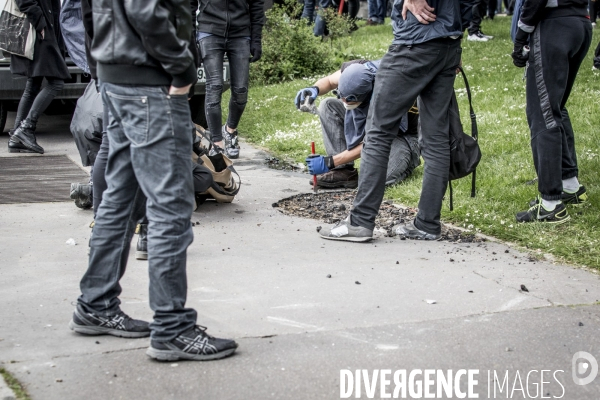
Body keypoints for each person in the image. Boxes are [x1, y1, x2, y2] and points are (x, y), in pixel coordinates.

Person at [69, 0, 238, 362]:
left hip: (120, 74)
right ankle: (171, 328)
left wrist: (106, 65)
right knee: (170, 206)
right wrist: (180, 68)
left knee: (122, 199)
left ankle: (95, 303)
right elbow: (143, 8)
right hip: (151, 81)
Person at [319, 0, 474, 242]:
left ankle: (360, 222)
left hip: (415, 40)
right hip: (448, 43)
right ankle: (427, 224)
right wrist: (455, 33)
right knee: (436, 139)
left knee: (378, 132)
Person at [511, 0, 591, 223]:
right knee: (554, 109)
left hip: (554, 24)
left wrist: (520, 36)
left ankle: (550, 204)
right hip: (579, 21)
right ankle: (569, 184)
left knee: (542, 115)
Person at [295, 59, 420, 189]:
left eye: (350, 98)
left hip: (401, 137)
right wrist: (313, 89)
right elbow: (329, 81)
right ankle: (343, 171)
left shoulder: (389, 97)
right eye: (341, 95)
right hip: (371, 116)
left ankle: (406, 163)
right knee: (328, 105)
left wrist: (330, 162)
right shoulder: (356, 71)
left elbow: (374, 141)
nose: (343, 100)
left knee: (376, 181)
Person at [193, 0, 265, 159]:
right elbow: (189, 4)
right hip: (209, 31)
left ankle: (230, 131)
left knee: (241, 91)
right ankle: (216, 142)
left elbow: (257, 4)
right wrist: (191, 40)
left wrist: (256, 39)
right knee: (214, 87)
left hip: (240, 33)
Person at [7, 0, 70, 154]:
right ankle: (26, 128)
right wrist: (41, 23)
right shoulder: (40, 25)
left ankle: (17, 134)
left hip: (44, 29)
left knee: (33, 83)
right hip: (39, 31)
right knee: (56, 82)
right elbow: (25, 1)